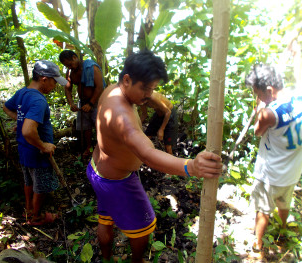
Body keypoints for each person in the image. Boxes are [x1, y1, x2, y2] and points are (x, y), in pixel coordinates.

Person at [89, 50, 223, 263]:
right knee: (143, 228)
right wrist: (191, 166)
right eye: (145, 88)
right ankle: (137, 261)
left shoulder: (112, 90)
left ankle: (106, 259)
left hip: (98, 171)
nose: (149, 94)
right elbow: (148, 155)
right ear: (127, 79)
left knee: (105, 219)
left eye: (152, 88)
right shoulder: (121, 114)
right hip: (118, 182)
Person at [245, 64, 302, 256]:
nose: (256, 96)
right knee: (284, 202)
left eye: (257, 92)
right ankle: (283, 229)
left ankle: (257, 246)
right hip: (292, 170)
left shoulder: (269, 112)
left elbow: (258, 131)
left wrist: (259, 108)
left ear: (268, 91)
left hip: (270, 174)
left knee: (262, 211)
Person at [2, 60, 66, 226]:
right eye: (54, 82)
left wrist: (23, 120)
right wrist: (43, 145)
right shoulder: (39, 101)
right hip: (37, 152)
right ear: (44, 79)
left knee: (28, 181)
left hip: (24, 149)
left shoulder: (23, 92)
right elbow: (28, 131)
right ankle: (36, 217)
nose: (55, 86)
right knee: (41, 186)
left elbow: (6, 107)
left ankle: (29, 209)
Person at [58, 50, 107, 156]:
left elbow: (100, 87)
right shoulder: (70, 72)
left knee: (100, 126)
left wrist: (91, 103)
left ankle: (102, 149)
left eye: (70, 64)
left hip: (97, 101)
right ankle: (89, 147)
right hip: (83, 102)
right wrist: (71, 103)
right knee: (85, 127)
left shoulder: (92, 67)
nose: (69, 67)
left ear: (75, 57)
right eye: (67, 66)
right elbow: (67, 88)